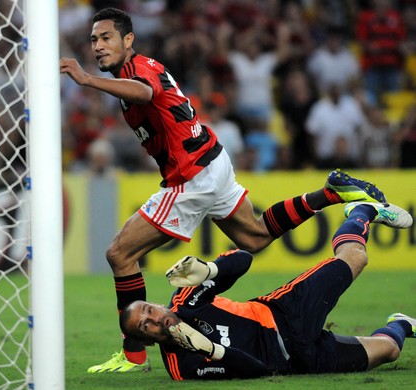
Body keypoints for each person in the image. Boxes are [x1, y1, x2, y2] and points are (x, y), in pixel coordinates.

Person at [60, 7, 387, 374]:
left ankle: (133, 353)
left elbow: (145, 92)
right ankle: (332, 193)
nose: (99, 46)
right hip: (211, 162)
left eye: (106, 38)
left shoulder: (139, 71)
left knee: (120, 253)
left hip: (193, 176)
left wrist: (86, 80)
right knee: (256, 236)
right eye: (94, 40)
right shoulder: (130, 73)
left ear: (128, 40)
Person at [121, 201, 414, 380]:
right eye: (144, 327)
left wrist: (211, 270)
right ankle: (401, 322)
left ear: (157, 304)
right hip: (301, 361)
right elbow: (258, 371)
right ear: (147, 342)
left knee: (356, 258)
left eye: (149, 311)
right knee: (389, 350)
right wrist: (209, 349)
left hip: (286, 313)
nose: (154, 320)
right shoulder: (181, 366)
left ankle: (363, 210)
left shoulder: (187, 299)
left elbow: (244, 258)